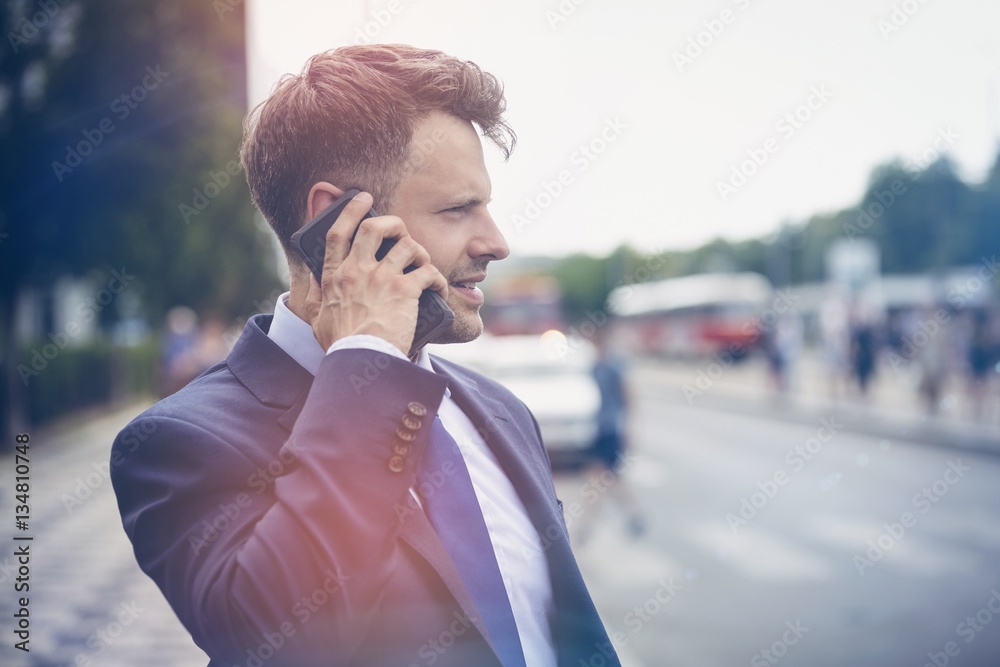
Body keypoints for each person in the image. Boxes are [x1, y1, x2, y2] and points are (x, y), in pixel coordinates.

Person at [111, 45, 619, 667]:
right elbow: (283, 644)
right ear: (338, 221)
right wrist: (367, 357)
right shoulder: (177, 442)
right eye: (459, 209)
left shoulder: (501, 411)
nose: (497, 242)